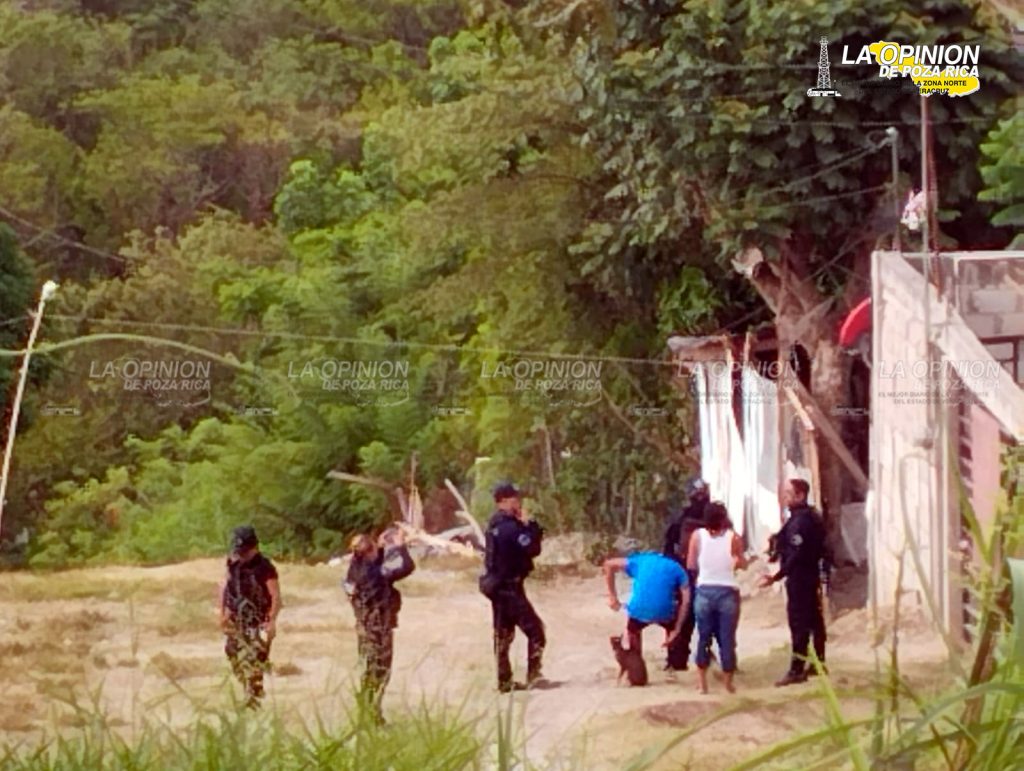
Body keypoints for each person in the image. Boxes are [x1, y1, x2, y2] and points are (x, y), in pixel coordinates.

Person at [343, 526, 415, 725]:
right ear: (369, 552)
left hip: (364, 628)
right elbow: (406, 567)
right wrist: (400, 547)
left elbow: (375, 561)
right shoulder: (376, 575)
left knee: (369, 671)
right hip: (378, 629)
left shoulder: (355, 569)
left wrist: (381, 547)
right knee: (380, 672)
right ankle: (372, 714)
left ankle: (367, 711)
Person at [758, 479, 827, 686]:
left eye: (789, 493)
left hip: (800, 578)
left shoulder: (802, 521)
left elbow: (797, 554)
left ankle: (798, 668)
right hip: (808, 576)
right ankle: (818, 663)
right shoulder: (805, 517)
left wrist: (776, 576)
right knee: (814, 621)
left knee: (800, 624)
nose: (785, 497)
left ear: (800, 495)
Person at [480, 482, 546, 692]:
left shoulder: (495, 524)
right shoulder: (509, 527)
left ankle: (504, 681)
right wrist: (530, 525)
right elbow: (533, 548)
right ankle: (533, 676)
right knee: (536, 632)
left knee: (503, 635)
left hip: (499, 586)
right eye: (514, 499)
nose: (518, 502)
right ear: (503, 502)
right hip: (509, 587)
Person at [687, 502, 754, 694]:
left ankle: (702, 684)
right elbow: (742, 564)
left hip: (704, 589)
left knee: (703, 638)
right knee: (727, 639)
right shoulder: (734, 538)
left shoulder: (697, 536)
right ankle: (728, 684)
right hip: (727, 590)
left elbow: (691, 564)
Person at [602, 550, 690, 679]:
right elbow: (686, 601)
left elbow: (608, 564)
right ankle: (675, 665)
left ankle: (636, 666)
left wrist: (612, 597)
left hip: (639, 610)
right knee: (676, 630)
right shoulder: (677, 568)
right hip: (665, 611)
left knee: (633, 630)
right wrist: (677, 629)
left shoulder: (638, 561)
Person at [220, 525, 281, 709]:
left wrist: (271, 621)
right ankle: (249, 690)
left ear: (254, 547)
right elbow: (226, 589)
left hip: (258, 620)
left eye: (245, 550)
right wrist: (223, 614)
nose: (242, 554)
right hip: (237, 620)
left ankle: (252, 700)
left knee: (254, 661)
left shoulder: (265, 567)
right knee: (233, 655)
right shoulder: (233, 564)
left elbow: (276, 597)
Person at [661, 478, 710, 670]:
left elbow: (668, 548)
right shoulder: (714, 516)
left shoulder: (681, 518)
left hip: (688, 573)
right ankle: (682, 658)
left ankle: (677, 659)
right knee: (706, 617)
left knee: (683, 616)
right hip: (701, 573)